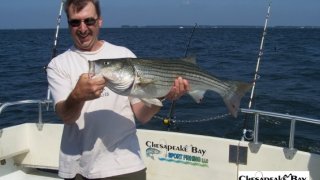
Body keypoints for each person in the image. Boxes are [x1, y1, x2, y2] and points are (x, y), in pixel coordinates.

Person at [46, 0, 189, 179]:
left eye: (89, 21)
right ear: (68, 24)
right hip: (77, 168)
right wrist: (77, 96)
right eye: (75, 22)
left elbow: (143, 115)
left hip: (125, 164)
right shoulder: (58, 65)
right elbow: (67, 117)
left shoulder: (125, 55)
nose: (82, 28)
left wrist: (165, 96)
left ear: (99, 21)